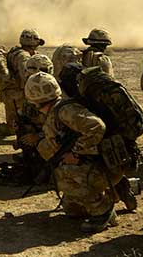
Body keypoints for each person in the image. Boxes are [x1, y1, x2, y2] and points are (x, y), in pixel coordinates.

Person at [25, 72, 118, 233]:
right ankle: (115, 190)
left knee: (62, 177)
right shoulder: (58, 109)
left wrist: (76, 154)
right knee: (72, 209)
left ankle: (103, 212)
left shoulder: (65, 111)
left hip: (105, 168)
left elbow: (97, 127)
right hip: (104, 164)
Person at [0, 28, 45, 134]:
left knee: (16, 125)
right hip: (17, 96)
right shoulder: (23, 56)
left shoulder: (15, 52)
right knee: (15, 128)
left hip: (12, 94)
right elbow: (27, 76)